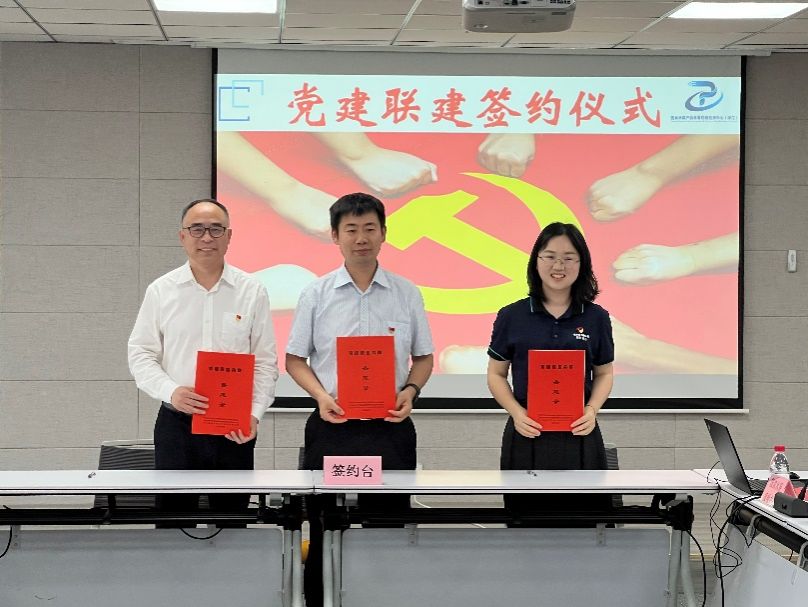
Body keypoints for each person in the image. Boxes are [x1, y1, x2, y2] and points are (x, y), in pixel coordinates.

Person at [285, 192, 434, 607]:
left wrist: (410, 391)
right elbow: (294, 359)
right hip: (333, 428)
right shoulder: (316, 294)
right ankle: (319, 599)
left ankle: (386, 598)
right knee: (323, 523)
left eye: (370, 228)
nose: (361, 238)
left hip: (389, 430)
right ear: (335, 236)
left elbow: (423, 358)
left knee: (389, 523)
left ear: (384, 233)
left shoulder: (406, 293)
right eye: (351, 229)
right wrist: (320, 396)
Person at [128, 198, 278, 522]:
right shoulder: (161, 290)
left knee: (232, 522)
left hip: (233, 426)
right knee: (173, 522)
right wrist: (171, 391)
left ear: (229, 236)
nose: (207, 237)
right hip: (177, 424)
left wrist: (254, 413)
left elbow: (265, 361)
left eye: (216, 229)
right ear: (182, 236)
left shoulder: (252, 291)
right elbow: (141, 353)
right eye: (197, 229)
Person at [486, 222, 614, 521]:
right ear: (536, 261)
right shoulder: (511, 315)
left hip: (579, 434)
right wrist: (517, 413)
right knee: (526, 523)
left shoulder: (596, 317)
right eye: (550, 256)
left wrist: (592, 410)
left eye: (569, 258)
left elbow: (604, 374)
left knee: (586, 523)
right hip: (527, 434)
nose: (559, 266)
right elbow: (496, 374)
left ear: (582, 264)